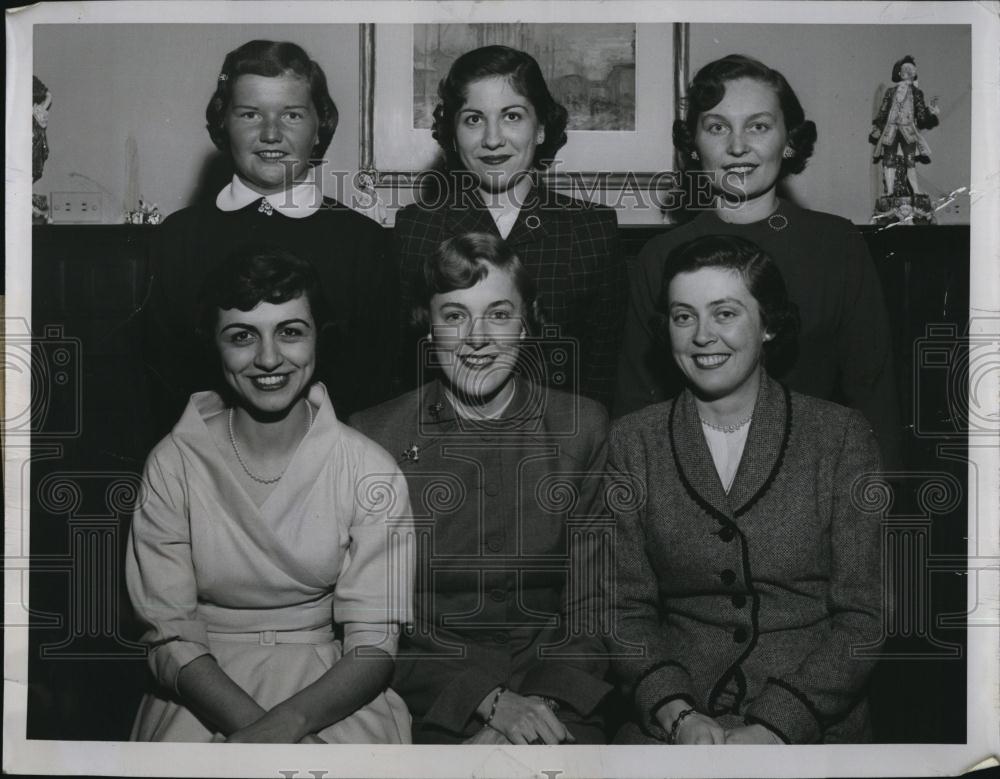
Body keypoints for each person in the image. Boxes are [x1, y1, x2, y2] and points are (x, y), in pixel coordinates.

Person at [126, 245, 413, 742]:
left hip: (333, 686)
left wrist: (286, 727)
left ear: (318, 337)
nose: (268, 359)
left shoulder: (368, 469)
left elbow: (372, 643)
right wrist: (252, 734)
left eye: (290, 332)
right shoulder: (172, 463)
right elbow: (168, 631)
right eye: (242, 336)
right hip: (202, 686)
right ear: (213, 345)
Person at [609, 234, 884, 744]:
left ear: (770, 325)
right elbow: (625, 610)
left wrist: (779, 723)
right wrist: (677, 711)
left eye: (725, 314)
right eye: (683, 316)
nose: (702, 336)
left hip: (814, 724)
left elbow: (864, 619)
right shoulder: (633, 441)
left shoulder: (841, 437)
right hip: (676, 724)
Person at [352, 233, 612, 744]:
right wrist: (485, 702)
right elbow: (371, 622)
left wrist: (537, 707)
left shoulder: (582, 427)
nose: (477, 338)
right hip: (429, 699)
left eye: (498, 314)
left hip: (558, 693)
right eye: (454, 316)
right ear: (426, 325)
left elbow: (595, 602)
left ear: (527, 322)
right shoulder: (373, 436)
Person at [615, 53, 901, 467]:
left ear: (788, 140)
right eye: (717, 127)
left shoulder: (837, 244)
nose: (736, 147)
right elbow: (635, 407)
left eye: (759, 126)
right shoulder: (658, 257)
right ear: (693, 144)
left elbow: (874, 395)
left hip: (816, 482)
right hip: (692, 485)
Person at [142, 39, 395, 438]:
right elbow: (158, 384)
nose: (271, 133)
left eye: (292, 115)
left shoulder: (363, 243)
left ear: (319, 127)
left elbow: (380, 388)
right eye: (250, 114)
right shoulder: (178, 239)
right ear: (224, 123)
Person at [394, 45, 627, 409]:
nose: (491, 139)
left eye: (512, 116)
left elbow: (601, 377)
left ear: (540, 129)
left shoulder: (591, 230)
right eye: (473, 119)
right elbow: (407, 381)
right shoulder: (416, 229)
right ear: (453, 133)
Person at [869, 54, 941, 197]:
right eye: (905, 69)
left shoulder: (917, 93)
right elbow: (883, 110)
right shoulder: (890, 92)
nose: (908, 72)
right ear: (899, 73)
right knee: (888, 160)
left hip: (908, 130)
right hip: (891, 130)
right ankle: (889, 191)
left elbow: (921, 117)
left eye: (910, 69)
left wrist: (930, 112)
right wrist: (877, 126)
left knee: (910, 161)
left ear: (914, 74)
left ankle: (915, 190)